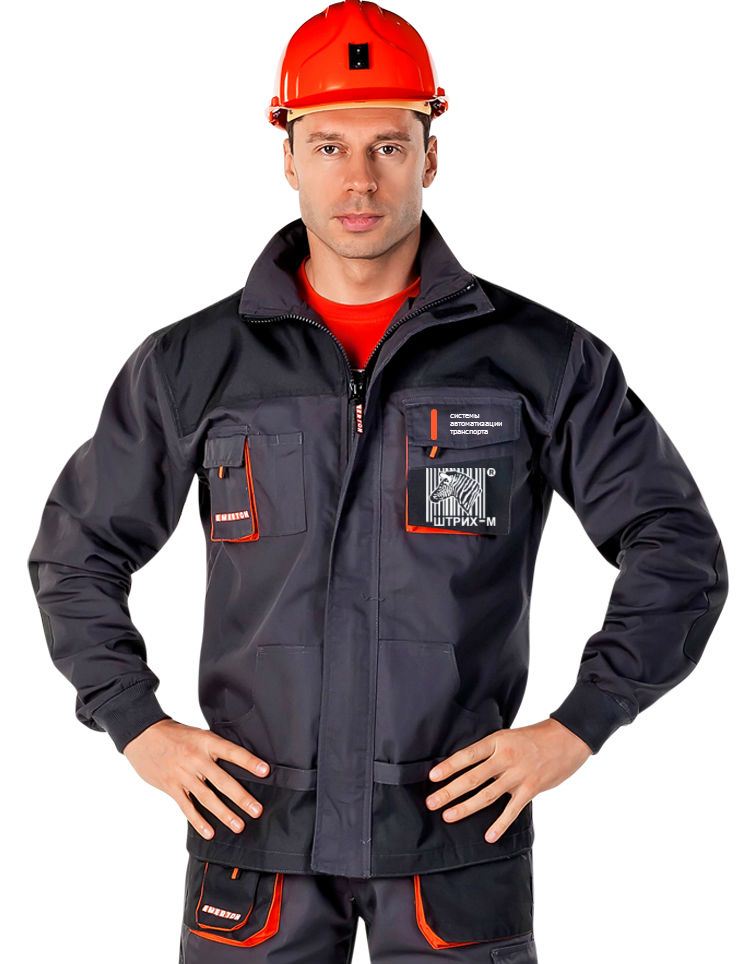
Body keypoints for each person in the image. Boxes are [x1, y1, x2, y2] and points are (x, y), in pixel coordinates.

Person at [27, 2, 728, 962]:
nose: (358, 179)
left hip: (455, 845)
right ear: (287, 155)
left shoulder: (539, 360)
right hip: (255, 841)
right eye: (328, 146)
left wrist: (577, 725)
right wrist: (135, 722)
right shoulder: (191, 365)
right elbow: (76, 555)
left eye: (388, 146)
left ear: (431, 155)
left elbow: (677, 548)